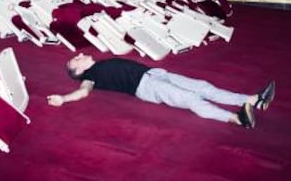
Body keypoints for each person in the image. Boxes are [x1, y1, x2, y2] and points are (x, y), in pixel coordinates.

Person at [47, 54, 275, 129]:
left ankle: (254, 101)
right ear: (78, 70)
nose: (78, 55)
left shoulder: (98, 64)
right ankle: (236, 118)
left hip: (155, 74)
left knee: (204, 86)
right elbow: (83, 93)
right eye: (75, 59)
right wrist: (63, 98)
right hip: (146, 87)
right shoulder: (90, 76)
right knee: (190, 98)